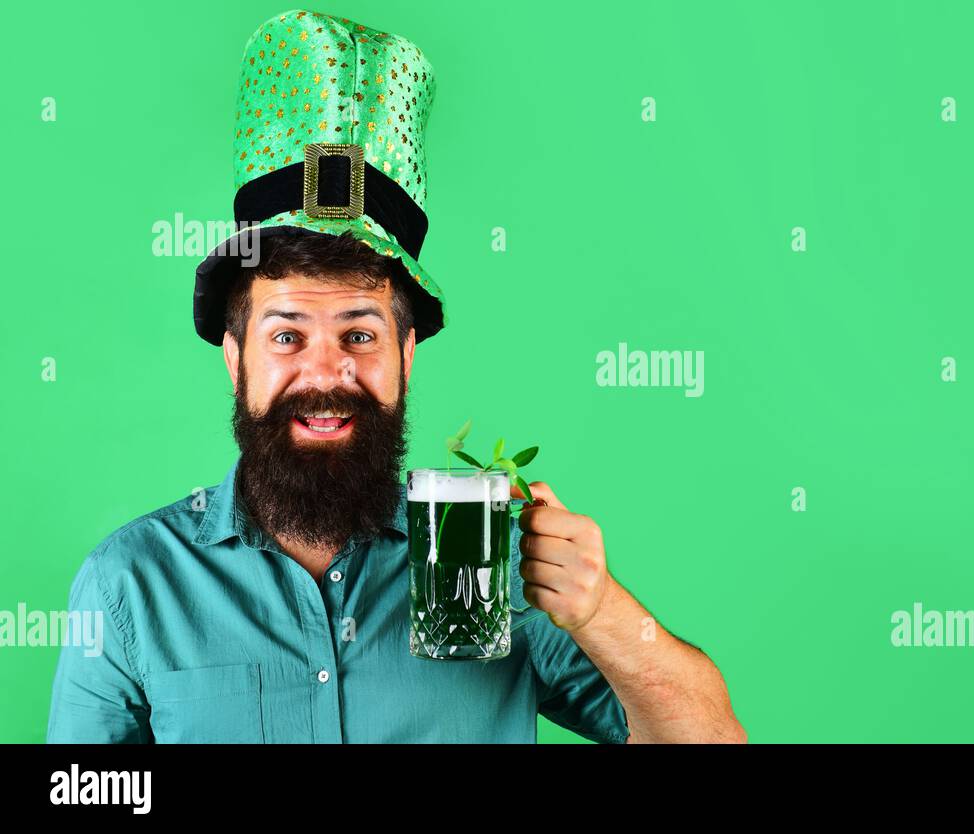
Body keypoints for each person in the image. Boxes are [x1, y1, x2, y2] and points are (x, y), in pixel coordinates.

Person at [46, 9, 744, 744]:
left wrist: (601, 610)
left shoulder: (487, 558)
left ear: (406, 355)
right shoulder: (131, 585)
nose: (326, 372)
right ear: (236, 355)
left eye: (360, 333)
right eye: (287, 335)